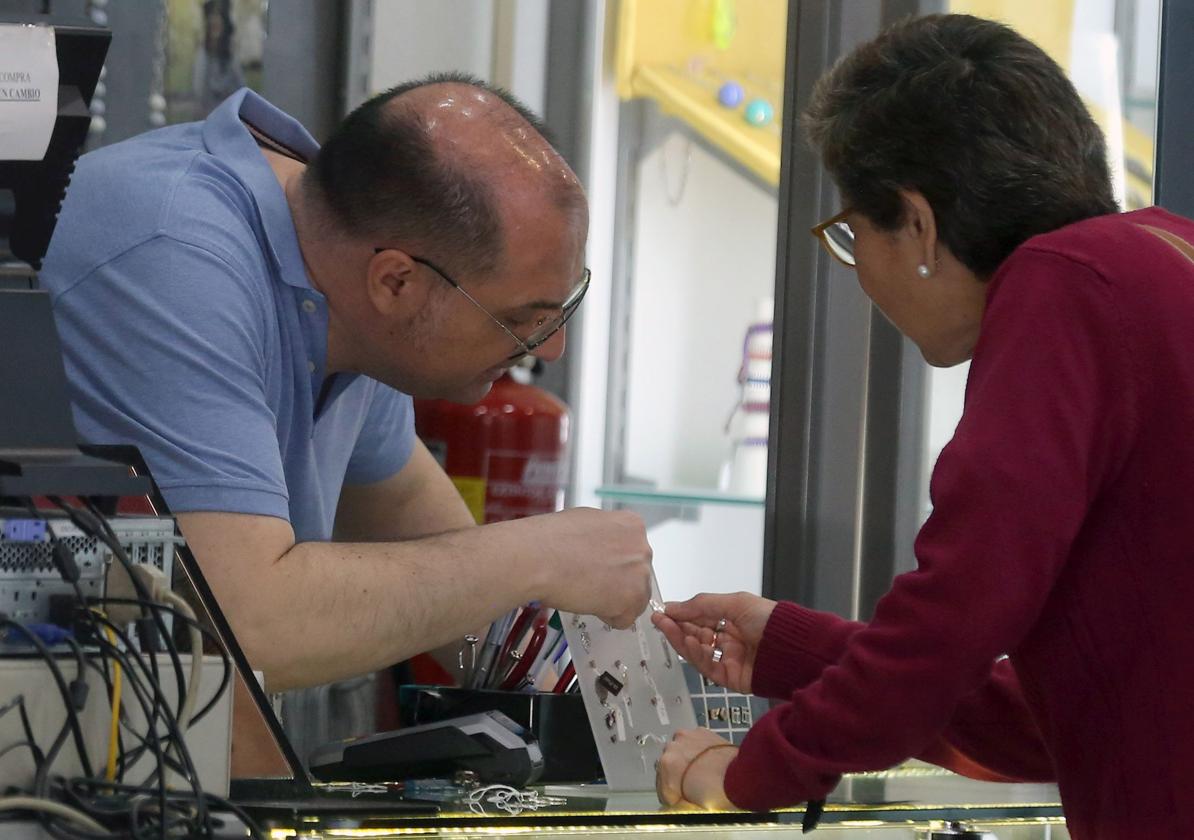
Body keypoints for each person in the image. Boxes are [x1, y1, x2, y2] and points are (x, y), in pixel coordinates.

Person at [652, 14, 1194, 837]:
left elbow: (959, 608)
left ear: (919, 223)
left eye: (852, 233)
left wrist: (751, 770)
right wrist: (808, 656)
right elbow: (1057, 716)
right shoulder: (1161, 258)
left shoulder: (1063, 289)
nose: (860, 270)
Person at [40, 74, 654, 699]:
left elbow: (425, 544)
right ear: (395, 284)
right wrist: (538, 556)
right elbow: (248, 626)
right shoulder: (175, 258)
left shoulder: (344, 275)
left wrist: (616, 695)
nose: (551, 348)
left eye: (562, 311)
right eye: (523, 318)